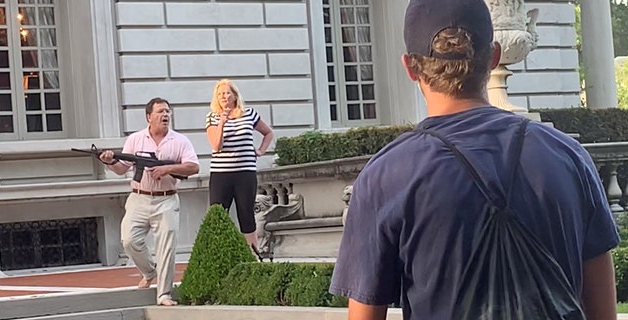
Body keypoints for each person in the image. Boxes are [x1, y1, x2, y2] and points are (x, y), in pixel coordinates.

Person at [329, 0, 620, 319]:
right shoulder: (569, 157)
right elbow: (602, 310)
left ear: (410, 67)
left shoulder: (385, 176)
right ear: (494, 56)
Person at [100, 97, 199, 306]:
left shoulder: (180, 141)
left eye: (167, 112)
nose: (165, 115)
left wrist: (167, 169)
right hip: (139, 197)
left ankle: (164, 294)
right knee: (129, 240)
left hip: (167, 200)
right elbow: (121, 169)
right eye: (160, 112)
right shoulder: (136, 139)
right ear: (149, 117)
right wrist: (110, 161)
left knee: (166, 247)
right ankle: (149, 271)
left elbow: (193, 167)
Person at [205, 79, 274, 255]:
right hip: (221, 174)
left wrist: (260, 150)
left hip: (245, 173)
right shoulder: (212, 117)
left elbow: (268, 132)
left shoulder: (249, 113)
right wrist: (222, 122)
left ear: (235, 95)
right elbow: (216, 145)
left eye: (227, 93)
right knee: (218, 214)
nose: (224, 97)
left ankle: (253, 253)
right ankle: (218, 254)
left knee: (246, 214)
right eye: (220, 94)